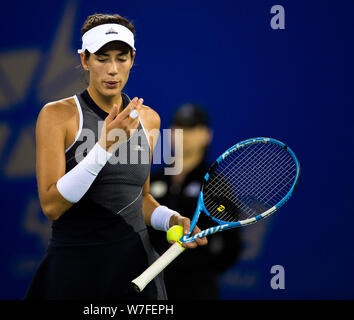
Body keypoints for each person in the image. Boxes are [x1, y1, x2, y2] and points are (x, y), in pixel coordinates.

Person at [25, 13, 207, 300]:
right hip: (73, 273)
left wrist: (171, 219)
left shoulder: (149, 120)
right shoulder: (57, 116)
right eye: (102, 58)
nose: (112, 69)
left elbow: (142, 199)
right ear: (85, 60)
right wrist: (105, 146)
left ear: (132, 59)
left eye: (121, 58)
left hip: (135, 270)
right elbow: (51, 206)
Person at [148, 104, 243, 300]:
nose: (184, 134)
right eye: (178, 127)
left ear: (206, 135)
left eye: (191, 128)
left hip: (196, 291)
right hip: (151, 291)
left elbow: (231, 244)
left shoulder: (217, 186)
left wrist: (200, 271)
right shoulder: (153, 180)